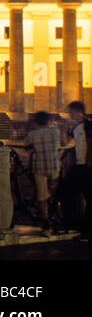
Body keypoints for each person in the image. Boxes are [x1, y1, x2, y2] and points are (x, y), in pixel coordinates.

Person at [24, 111, 61, 234]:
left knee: (42, 197)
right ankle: (53, 214)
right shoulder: (56, 132)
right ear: (48, 120)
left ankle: (46, 223)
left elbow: (28, 148)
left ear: (36, 121)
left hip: (39, 167)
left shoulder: (32, 134)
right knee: (51, 191)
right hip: (54, 166)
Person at [59, 101, 90, 240]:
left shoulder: (88, 125)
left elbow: (90, 145)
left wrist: (89, 164)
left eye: (71, 112)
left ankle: (84, 228)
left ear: (79, 111)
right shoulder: (76, 128)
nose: (70, 115)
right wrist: (63, 130)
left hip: (86, 166)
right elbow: (66, 144)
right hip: (78, 165)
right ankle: (73, 223)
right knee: (66, 191)